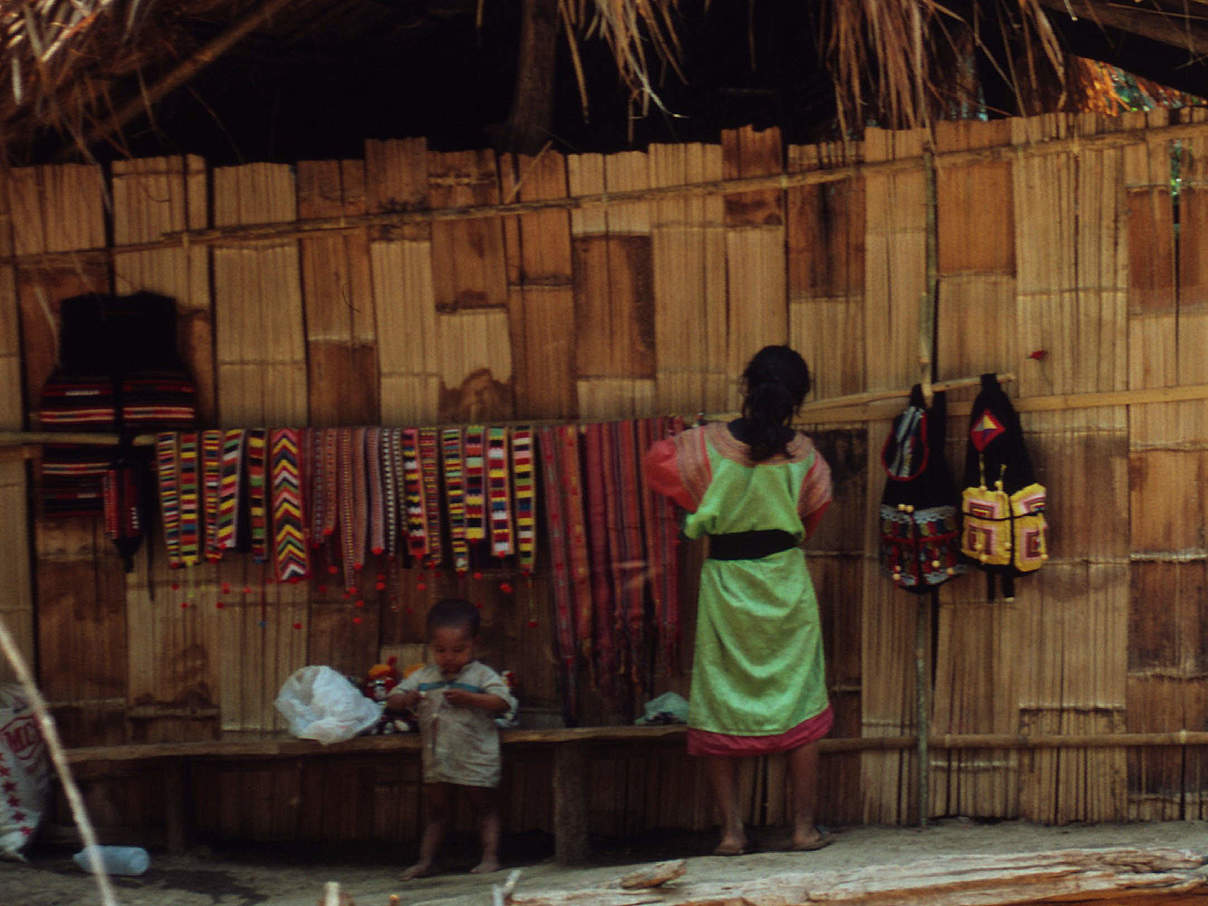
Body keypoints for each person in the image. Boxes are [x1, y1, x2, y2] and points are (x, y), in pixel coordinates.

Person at [644, 344, 834, 856]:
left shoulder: (702, 446)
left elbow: (660, 470)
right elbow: (810, 520)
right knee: (800, 695)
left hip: (726, 583)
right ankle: (802, 829)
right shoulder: (807, 458)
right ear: (798, 398)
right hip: (785, 583)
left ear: (747, 387)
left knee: (720, 697)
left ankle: (732, 833)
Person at [386, 598, 516, 879]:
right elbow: (392, 698)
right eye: (440, 650)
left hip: (475, 755)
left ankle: (490, 857)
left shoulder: (481, 675)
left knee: (484, 808)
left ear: (474, 644)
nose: (449, 656)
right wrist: (407, 698)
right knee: (436, 812)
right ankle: (426, 861)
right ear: (431, 646)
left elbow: (503, 702)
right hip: (438, 757)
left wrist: (471, 698)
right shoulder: (424, 675)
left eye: (458, 649)